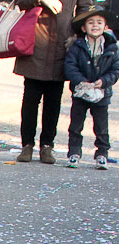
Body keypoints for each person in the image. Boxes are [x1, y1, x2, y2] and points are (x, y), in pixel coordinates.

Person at [14, 0, 92, 165]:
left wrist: (77, 35)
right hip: (33, 43)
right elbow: (20, 3)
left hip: (62, 46)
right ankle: (27, 144)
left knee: (53, 102)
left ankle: (47, 145)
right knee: (30, 100)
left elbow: (84, 9)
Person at [64, 5, 119, 169]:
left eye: (99, 22)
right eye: (91, 22)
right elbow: (70, 66)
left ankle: (102, 154)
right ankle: (74, 153)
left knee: (101, 127)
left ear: (106, 27)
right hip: (81, 92)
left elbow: (115, 69)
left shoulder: (111, 47)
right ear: (83, 27)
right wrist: (81, 81)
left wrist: (104, 81)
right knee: (75, 126)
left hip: (102, 93)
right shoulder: (77, 46)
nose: (95, 26)